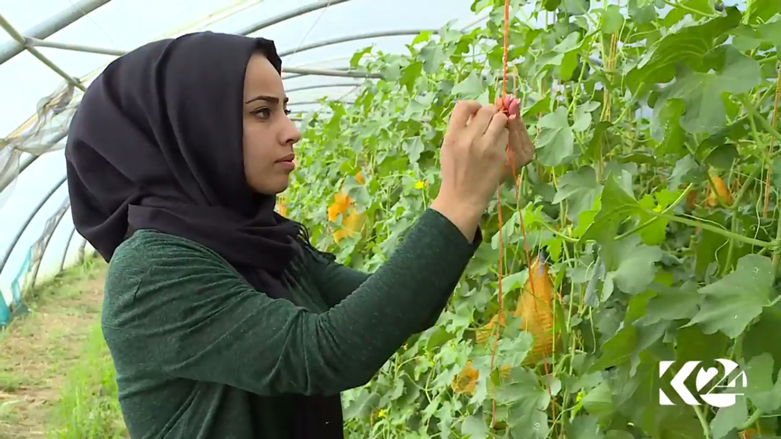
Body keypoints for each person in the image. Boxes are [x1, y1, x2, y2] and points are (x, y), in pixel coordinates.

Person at [63, 31, 534, 439]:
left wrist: (476, 188)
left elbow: (400, 309)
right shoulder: (151, 270)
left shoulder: (262, 241)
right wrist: (457, 199)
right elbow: (325, 353)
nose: (293, 131)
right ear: (191, 129)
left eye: (284, 108)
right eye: (262, 113)